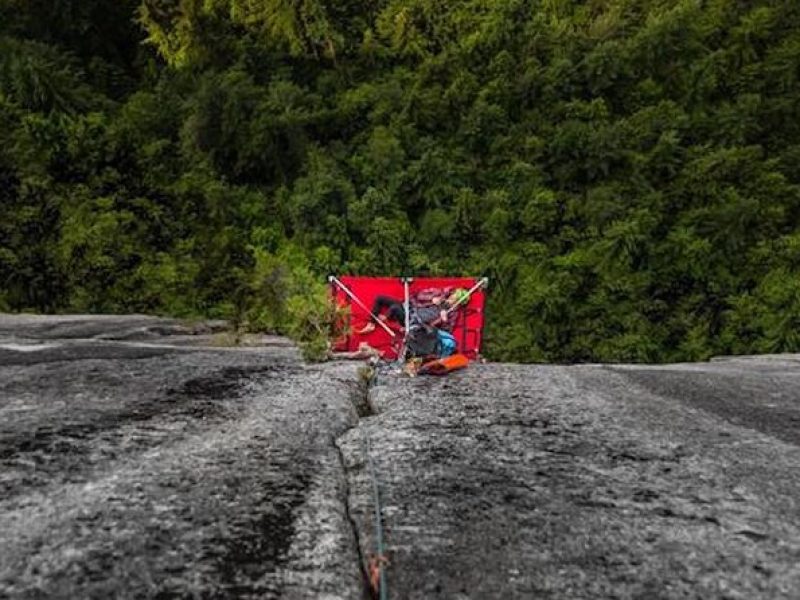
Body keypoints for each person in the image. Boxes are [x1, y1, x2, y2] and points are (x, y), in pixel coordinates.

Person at [356, 288, 468, 335]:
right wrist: (431, 299)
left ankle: (386, 319)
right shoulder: (439, 294)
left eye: (456, 301)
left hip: (411, 320)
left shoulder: (452, 313)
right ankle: (372, 324)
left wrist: (444, 320)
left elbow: (446, 330)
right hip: (408, 307)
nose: (452, 300)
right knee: (380, 298)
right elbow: (418, 295)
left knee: (394, 308)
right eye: (453, 297)